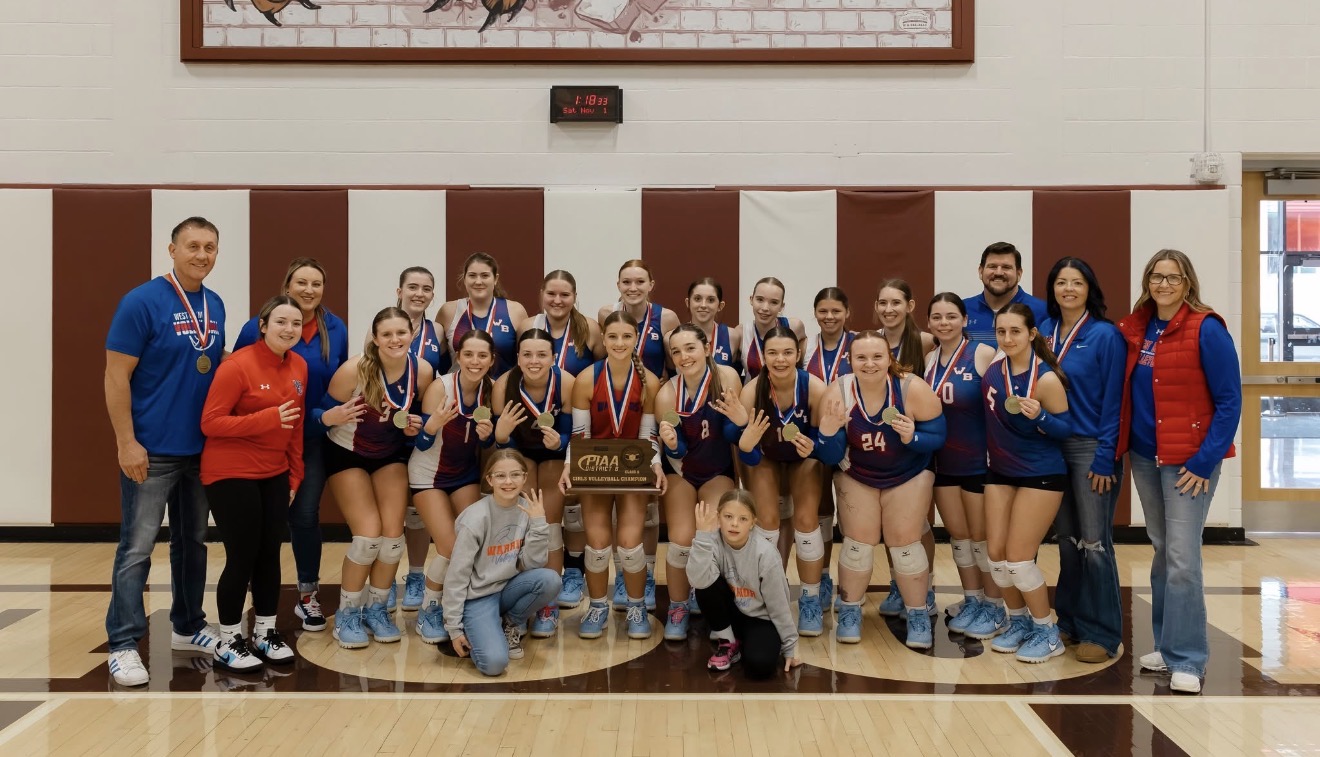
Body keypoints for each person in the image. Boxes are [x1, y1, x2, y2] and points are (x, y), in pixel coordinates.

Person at [104, 216, 228, 687]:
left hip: (201, 449)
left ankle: (189, 625)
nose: (202, 254)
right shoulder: (140, 302)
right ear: (172, 249)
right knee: (137, 549)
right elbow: (115, 377)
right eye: (193, 245)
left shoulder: (214, 303)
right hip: (150, 449)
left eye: (210, 247)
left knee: (192, 544)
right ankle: (122, 644)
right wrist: (126, 441)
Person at [1119, 249, 1241, 695]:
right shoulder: (1136, 327)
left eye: (1173, 277)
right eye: (1156, 276)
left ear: (1188, 282)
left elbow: (1230, 401)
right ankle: (1168, 647)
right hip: (1146, 457)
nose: (1164, 284)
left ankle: (1189, 658)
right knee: (1162, 549)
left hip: (1189, 463)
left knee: (1184, 559)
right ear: (1147, 281)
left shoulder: (1206, 328)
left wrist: (1204, 461)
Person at [233, 257, 348, 632]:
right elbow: (236, 379)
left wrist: (322, 419)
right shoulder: (257, 326)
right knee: (263, 520)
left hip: (313, 437)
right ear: (287, 285)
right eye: (301, 282)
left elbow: (343, 384)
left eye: (316, 283)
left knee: (303, 515)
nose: (309, 290)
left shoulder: (336, 329)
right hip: (264, 438)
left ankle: (307, 594)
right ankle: (254, 595)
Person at [200, 295, 308, 671]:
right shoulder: (237, 366)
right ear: (263, 325)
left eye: (295, 323)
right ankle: (228, 639)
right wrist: (266, 419)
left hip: (275, 473)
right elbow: (211, 423)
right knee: (242, 555)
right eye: (281, 321)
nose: (288, 329)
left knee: (269, 554)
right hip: (230, 473)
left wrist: (295, 474)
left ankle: (265, 632)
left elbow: (294, 427)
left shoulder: (299, 366)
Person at [322, 307, 434, 649]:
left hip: (390, 455)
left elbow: (423, 420)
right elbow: (319, 415)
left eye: (401, 333)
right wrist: (330, 415)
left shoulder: (424, 370)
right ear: (375, 338)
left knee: (392, 538)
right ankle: (347, 613)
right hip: (347, 453)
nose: (395, 340)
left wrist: (418, 425)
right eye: (387, 334)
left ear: (411, 335)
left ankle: (376, 608)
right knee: (368, 538)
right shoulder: (354, 369)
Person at [831, 331, 945, 648]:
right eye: (861, 357)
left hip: (908, 472)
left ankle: (918, 612)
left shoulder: (911, 387)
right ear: (850, 361)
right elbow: (828, 455)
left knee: (904, 544)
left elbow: (938, 437)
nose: (870, 363)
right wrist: (827, 436)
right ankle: (851, 611)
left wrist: (913, 438)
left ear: (889, 359)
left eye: (877, 356)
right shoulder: (839, 390)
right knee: (857, 544)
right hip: (859, 473)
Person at [558, 311, 665, 640]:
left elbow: (649, 435)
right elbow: (579, 434)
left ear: (636, 340)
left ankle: (635, 606)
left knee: (630, 546)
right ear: (603, 340)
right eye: (613, 337)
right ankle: (598, 605)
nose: (619, 343)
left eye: (626, 337)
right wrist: (568, 465)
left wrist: (657, 463)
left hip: (633, 469)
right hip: (595, 467)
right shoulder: (587, 379)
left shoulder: (650, 380)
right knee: (598, 545)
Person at [1040, 257, 1126, 664]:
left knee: (1094, 544)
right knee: (1068, 542)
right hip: (1052, 446)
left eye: (1077, 282)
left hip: (1092, 447)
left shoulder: (1106, 336)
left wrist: (1106, 456)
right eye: (1061, 282)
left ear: (1090, 288)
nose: (1068, 289)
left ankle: (1104, 632)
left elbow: (1115, 401)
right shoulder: (1042, 333)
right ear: (1052, 288)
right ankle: (1070, 621)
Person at [737, 326, 847, 637]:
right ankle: (768, 592)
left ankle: (810, 598)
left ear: (798, 354)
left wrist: (816, 444)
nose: (780, 359)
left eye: (787, 352)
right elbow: (746, 454)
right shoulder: (752, 391)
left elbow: (832, 450)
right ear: (763, 356)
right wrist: (747, 444)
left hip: (804, 458)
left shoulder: (813, 387)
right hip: (766, 457)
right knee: (767, 521)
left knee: (805, 520)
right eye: (772, 352)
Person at [983, 304, 1073, 663]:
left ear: (1032, 334)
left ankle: (1048, 631)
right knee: (996, 559)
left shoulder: (1046, 378)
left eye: (1015, 331)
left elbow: (1066, 430)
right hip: (1000, 472)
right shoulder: (993, 373)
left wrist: (1044, 417)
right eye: (1001, 331)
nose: (1007, 338)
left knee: (1019, 561)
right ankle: (1018, 622)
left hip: (1040, 474)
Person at [597, 260, 679, 609]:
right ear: (618, 284)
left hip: (648, 405)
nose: (633, 287)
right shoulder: (606, 314)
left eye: (640, 281)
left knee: (644, 507)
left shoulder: (668, 318)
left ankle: (643, 576)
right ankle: (621, 577)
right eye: (626, 281)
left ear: (651, 284)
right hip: (614, 407)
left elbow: (678, 365)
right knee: (610, 507)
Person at [655, 324, 743, 640]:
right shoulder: (667, 393)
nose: (683, 356)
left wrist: (740, 417)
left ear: (706, 348)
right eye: (676, 351)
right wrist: (672, 441)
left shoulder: (728, 378)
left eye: (690, 348)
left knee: (712, 530)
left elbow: (736, 433)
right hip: (682, 471)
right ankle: (677, 606)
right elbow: (675, 451)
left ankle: (708, 595)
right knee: (680, 539)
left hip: (717, 470)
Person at [409, 330, 497, 646]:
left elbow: (494, 443)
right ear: (458, 357)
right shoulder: (440, 387)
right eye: (468, 354)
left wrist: (489, 436)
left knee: (477, 541)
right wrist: (432, 426)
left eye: (482, 355)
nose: (475, 361)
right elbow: (418, 442)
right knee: (450, 547)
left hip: (464, 474)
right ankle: (429, 609)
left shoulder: (492, 390)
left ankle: (467, 605)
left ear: (491, 360)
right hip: (429, 474)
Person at [923, 293, 1002, 640]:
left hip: (978, 461)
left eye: (951, 316)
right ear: (929, 323)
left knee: (982, 539)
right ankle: (973, 600)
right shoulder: (928, 359)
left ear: (965, 320)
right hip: (944, 462)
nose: (944, 323)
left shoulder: (983, 354)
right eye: (937, 317)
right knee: (959, 538)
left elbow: (1002, 404)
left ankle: (995, 606)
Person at [443, 451, 562, 677]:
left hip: (507, 588)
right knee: (495, 664)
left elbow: (533, 563)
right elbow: (456, 576)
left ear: (524, 478)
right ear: (489, 480)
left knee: (550, 580)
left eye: (515, 475)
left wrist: (538, 524)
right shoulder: (476, 518)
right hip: (478, 597)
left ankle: (510, 623)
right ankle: (475, 624)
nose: (508, 482)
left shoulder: (527, 508)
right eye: (500, 476)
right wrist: (454, 629)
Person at [524, 270, 601, 612]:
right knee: (537, 510)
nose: (557, 300)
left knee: (572, 507)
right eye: (551, 293)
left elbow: (601, 374)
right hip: (528, 427)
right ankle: (533, 579)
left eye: (564, 294)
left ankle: (574, 569)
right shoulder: (528, 325)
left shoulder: (589, 328)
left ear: (574, 296)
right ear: (541, 294)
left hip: (575, 421)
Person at [491, 328, 575, 638]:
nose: (534, 360)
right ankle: (523, 597)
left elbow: (573, 435)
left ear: (553, 357)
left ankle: (548, 603)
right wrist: (501, 434)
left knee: (549, 526)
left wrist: (559, 442)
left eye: (542, 354)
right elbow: (502, 444)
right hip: (519, 455)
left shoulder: (566, 382)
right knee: (525, 525)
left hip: (554, 457)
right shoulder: (504, 385)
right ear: (518, 358)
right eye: (527, 354)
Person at [870, 279, 938, 618]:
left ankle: (925, 587)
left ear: (910, 306)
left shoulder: (925, 342)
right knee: (890, 524)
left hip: (918, 442)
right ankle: (899, 583)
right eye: (883, 303)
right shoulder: (870, 343)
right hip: (883, 446)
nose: (888, 309)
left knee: (918, 524)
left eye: (896, 302)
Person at [688, 490, 802, 679]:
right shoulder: (710, 541)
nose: (734, 523)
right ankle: (727, 641)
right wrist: (701, 536)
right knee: (705, 582)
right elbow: (697, 581)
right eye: (728, 516)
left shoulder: (766, 555)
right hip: (729, 614)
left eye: (743, 519)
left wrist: (790, 646)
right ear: (718, 518)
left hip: (759, 618)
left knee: (761, 667)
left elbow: (779, 605)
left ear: (752, 523)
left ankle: (742, 641)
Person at [396, 266, 448, 615]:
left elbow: (441, 377)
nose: (419, 293)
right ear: (399, 290)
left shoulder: (438, 330)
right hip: (390, 425)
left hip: (425, 425)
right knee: (393, 509)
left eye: (426, 288)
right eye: (412, 286)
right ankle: (381, 581)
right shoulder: (384, 325)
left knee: (415, 509)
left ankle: (415, 575)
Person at [803, 287, 856, 608]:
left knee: (852, 515)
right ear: (815, 313)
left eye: (836, 311)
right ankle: (821, 577)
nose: (829, 317)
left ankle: (852, 584)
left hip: (854, 440)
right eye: (823, 311)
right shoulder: (806, 348)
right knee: (821, 509)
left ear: (847, 312)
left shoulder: (859, 346)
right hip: (816, 439)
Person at [438, 252, 528, 378]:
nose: (478, 281)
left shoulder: (515, 311)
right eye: (472, 275)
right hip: (460, 393)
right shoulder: (448, 311)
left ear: (495, 279)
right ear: (464, 279)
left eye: (485, 275)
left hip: (502, 393)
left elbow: (526, 358)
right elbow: (442, 364)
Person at [964, 242, 1049, 345]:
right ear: (980, 271)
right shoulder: (962, 310)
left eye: (1006, 267)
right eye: (992, 266)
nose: (998, 273)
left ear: (1019, 274)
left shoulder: (1043, 311)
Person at [737, 277, 806, 383]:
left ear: (781, 306)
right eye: (760, 299)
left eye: (773, 302)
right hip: (753, 397)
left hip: (789, 396)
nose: (765, 308)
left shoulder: (795, 327)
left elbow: (803, 364)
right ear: (751, 299)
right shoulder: (741, 333)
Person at [684, 277, 740, 369]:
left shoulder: (732, 336)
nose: (703, 305)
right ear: (688, 302)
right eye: (697, 299)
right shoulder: (674, 337)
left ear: (720, 306)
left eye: (711, 300)